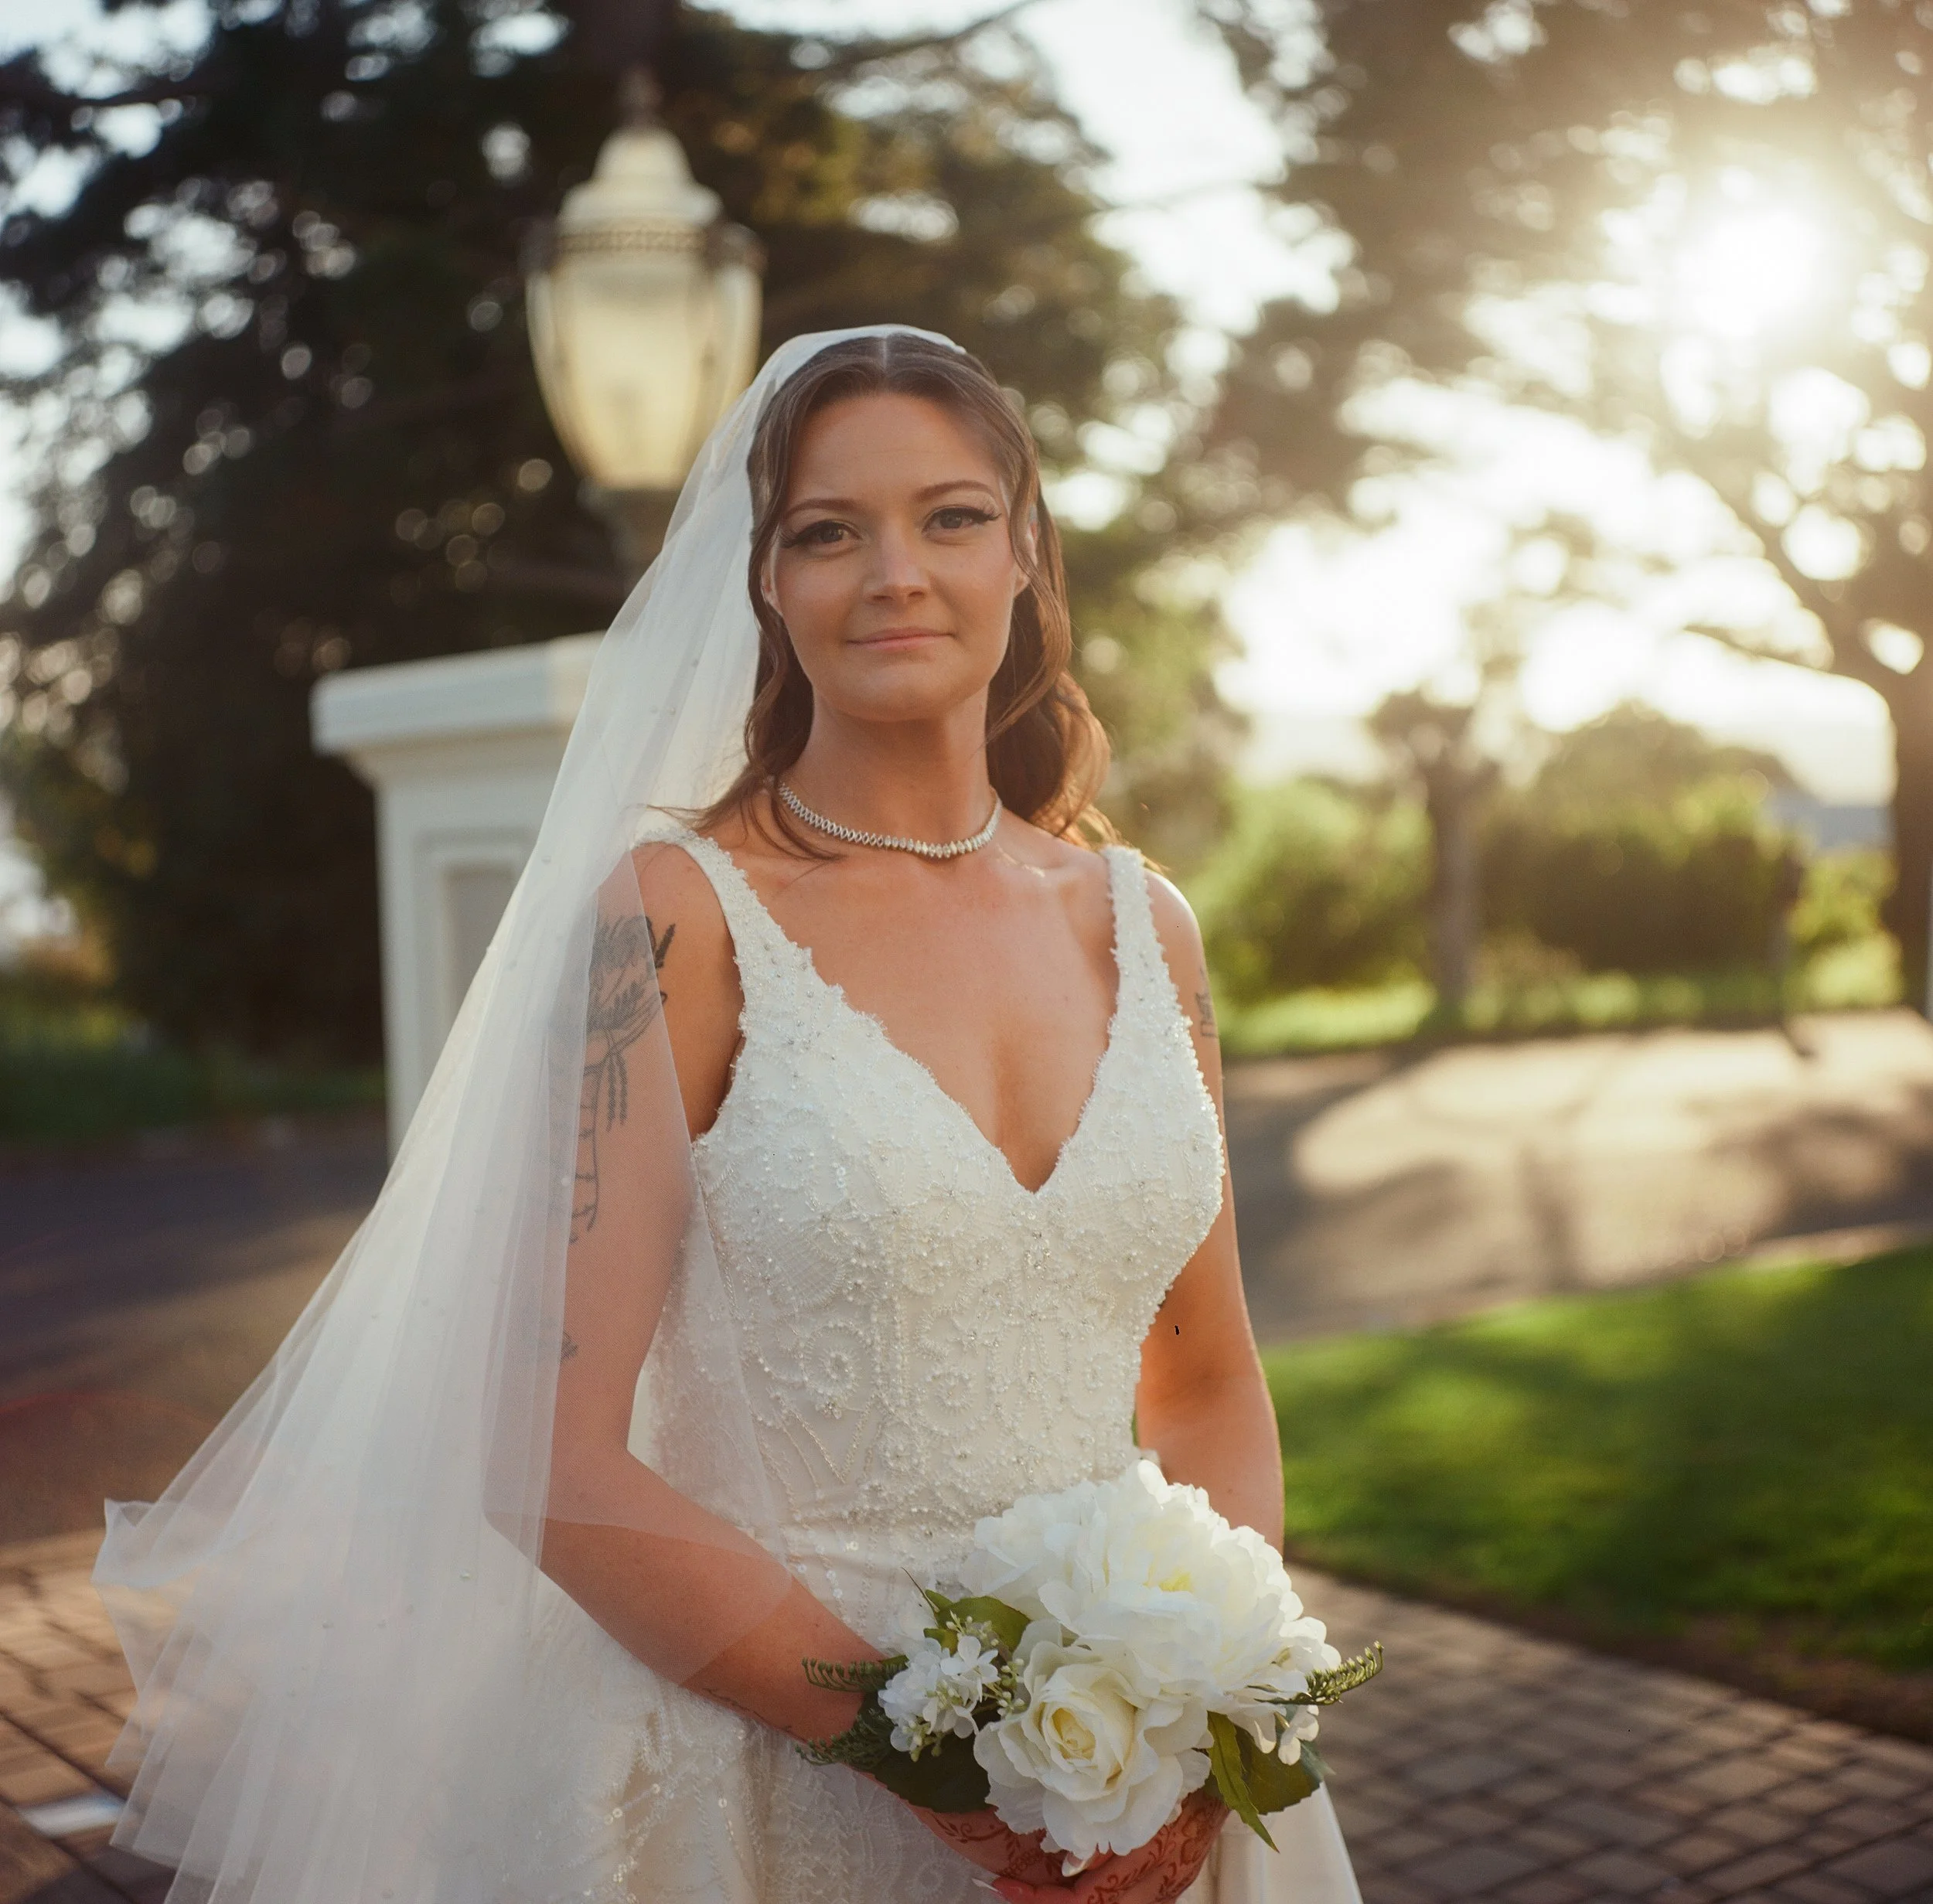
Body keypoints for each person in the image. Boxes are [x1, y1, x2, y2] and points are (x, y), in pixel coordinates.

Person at [92, 327, 1361, 1904]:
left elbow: (1207, 1376)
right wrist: (929, 1763)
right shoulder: (676, 920)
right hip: (772, 1773)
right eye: (829, 531)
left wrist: (1199, 1709)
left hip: (1140, 1781)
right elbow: (546, 1459)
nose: (894, 571)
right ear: (766, 582)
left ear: (1026, 553)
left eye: (950, 517)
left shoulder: (1144, 921)